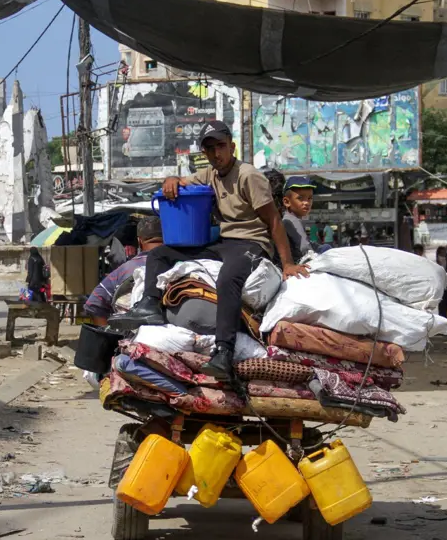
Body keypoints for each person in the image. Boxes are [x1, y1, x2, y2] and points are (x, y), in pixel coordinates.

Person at [109, 120, 309, 379]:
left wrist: (287, 263)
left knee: (228, 278)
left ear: (232, 147)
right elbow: (181, 181)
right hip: (224, 243)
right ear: (204, 153)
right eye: (210, 149)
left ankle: (224, 351)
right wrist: (172, 180)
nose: (217, 153)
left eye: (221, 146)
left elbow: (273, 220)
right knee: (160, 254)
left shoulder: (249, 176)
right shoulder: (210, 174)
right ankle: (150, 306)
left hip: (252, 243)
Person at [85, 217, 164, 326]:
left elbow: (93, 303)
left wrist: (107, 335)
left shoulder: (124, 270)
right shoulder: (182, 265)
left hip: (130, 337)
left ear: (139, 241)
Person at [281, 176, 315, 264]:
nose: (306, 203)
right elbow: (306, 250)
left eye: (309, 198)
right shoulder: (292, 221)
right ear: (287, 202)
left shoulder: (290, 219)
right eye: (300, 198)